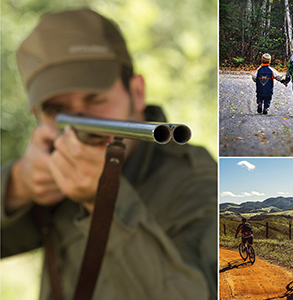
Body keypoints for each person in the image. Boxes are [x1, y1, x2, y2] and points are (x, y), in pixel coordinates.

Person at [1, 9, 217, 300]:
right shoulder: (49, 167)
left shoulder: (196, 181)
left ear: (137, 92)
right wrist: (17, 185)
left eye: (95, 99)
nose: (79, 125)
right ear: (37, 114)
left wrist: (104, 201)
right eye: (57, 110)